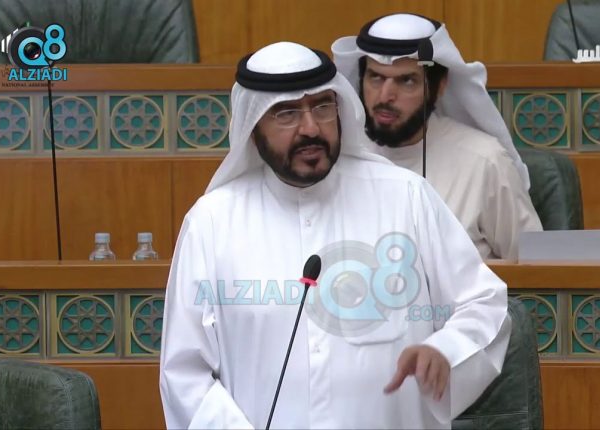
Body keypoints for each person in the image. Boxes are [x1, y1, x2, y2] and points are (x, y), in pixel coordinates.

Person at [159, 41, 511, 429]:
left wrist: (447, 350)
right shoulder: (212, 223)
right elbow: (184, 373)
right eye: (287, 114)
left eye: (323, 107)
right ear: (253, 128)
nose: (311, 128)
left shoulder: (406, 197)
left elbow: (484, 302)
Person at [332, 13, 543, 260]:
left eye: (406, 81)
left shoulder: (484, 162)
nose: (385, 96)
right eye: (375, 77)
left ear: (440, 85)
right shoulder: (339, 156)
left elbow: (536, 268)